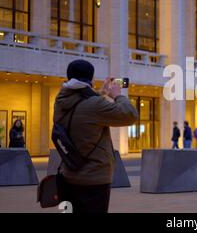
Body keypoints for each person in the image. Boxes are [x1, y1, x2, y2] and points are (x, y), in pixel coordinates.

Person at [53, 59, 138, 213]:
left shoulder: (61, 100)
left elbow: (83, 106)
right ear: (90, 78)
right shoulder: (95, 105)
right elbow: (130, 115)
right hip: (93, 179)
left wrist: (102, 93)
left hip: (67, 175)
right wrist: (118, 95)